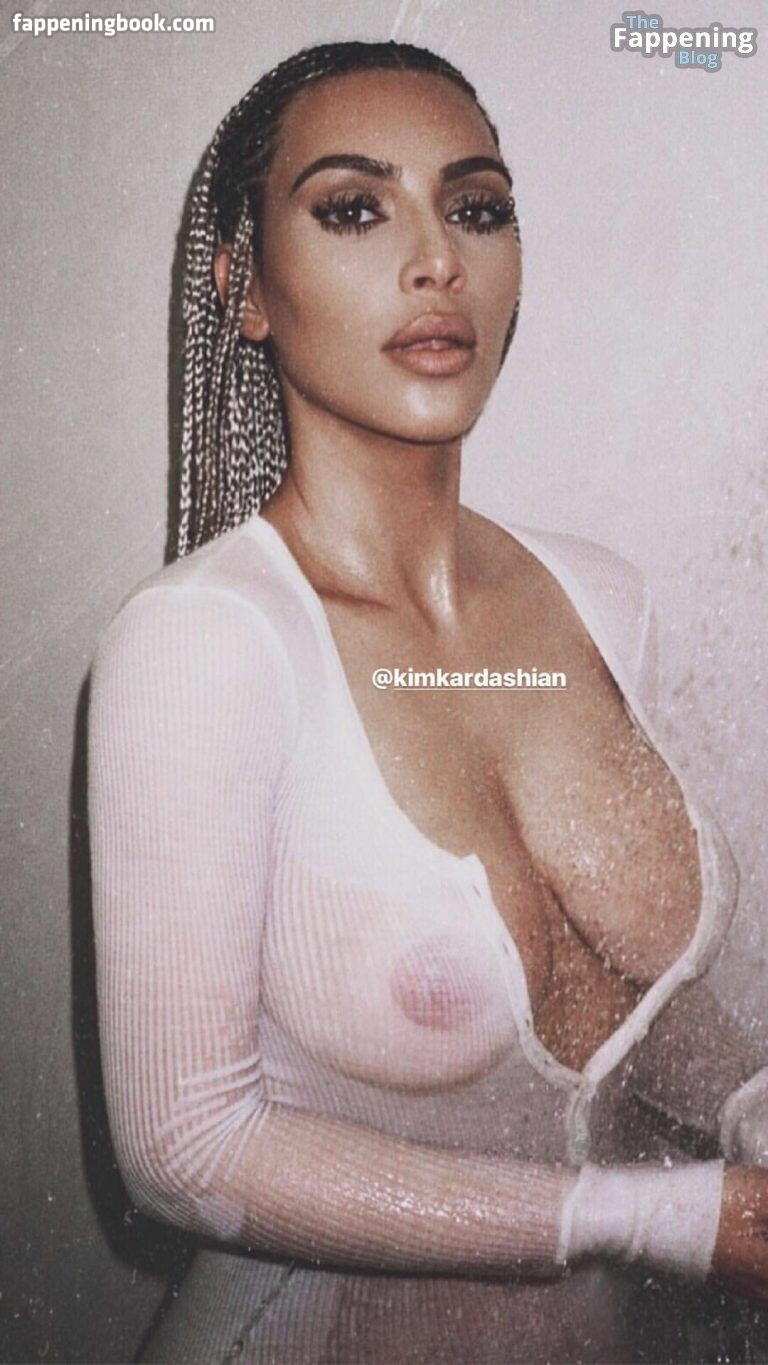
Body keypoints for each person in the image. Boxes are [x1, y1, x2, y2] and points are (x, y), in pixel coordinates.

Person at [88, 39, 768, 1364]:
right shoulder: (204, 645)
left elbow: (613, 994)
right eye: (355, 208)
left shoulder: (601, 597)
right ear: (245, 290)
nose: (436, 259)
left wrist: (750, 1099)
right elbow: (182, 1148)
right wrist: (667, 1218)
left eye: (476, 207)